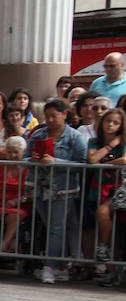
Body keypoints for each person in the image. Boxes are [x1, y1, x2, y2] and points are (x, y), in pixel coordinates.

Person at [27, 99, 87, 284]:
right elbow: (25, 156)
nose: (51, 120)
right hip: (40, 187)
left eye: (54, 116)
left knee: (57, 228)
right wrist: (33, 159)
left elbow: (83, 163)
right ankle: (59, 265)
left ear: (64, 115)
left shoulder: (74, 137)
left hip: (63, 189)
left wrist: (57, 162)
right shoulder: (39, 134)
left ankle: (49, 266)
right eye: (47, 116)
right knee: (51, 227)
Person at [88, 108, 126, 276]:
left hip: (119, 190)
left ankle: (104, 248)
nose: (110, 125)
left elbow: (125, 160)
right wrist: (111, 145)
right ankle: (109, 267)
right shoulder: (94, 141)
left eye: (116, 122)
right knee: (103, 222)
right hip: (98, 189)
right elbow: (92, 159)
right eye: (108, 121)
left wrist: (106, 162)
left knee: (104, 213)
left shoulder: (124, 142)